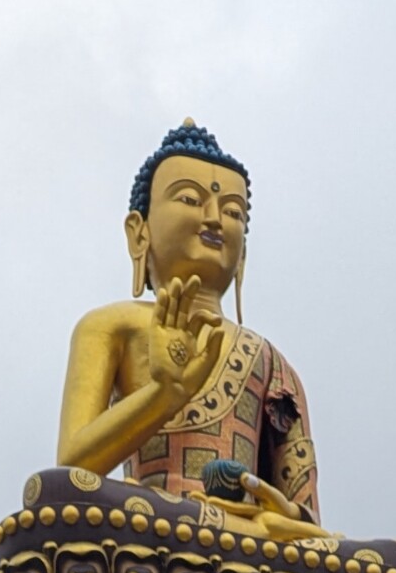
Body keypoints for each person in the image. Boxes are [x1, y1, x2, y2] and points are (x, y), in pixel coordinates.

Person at [56, 120, 325, 548]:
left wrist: (281, 512)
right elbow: (72, 469)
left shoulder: (272, 364)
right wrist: (164, 395)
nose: (215, 219)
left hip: (253, 540)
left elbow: (309, 523)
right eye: (189, 199)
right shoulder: (110, 327)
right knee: (55, 496)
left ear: (244, 254)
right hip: (152, 524)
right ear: (138, 231)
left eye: (234, 212)